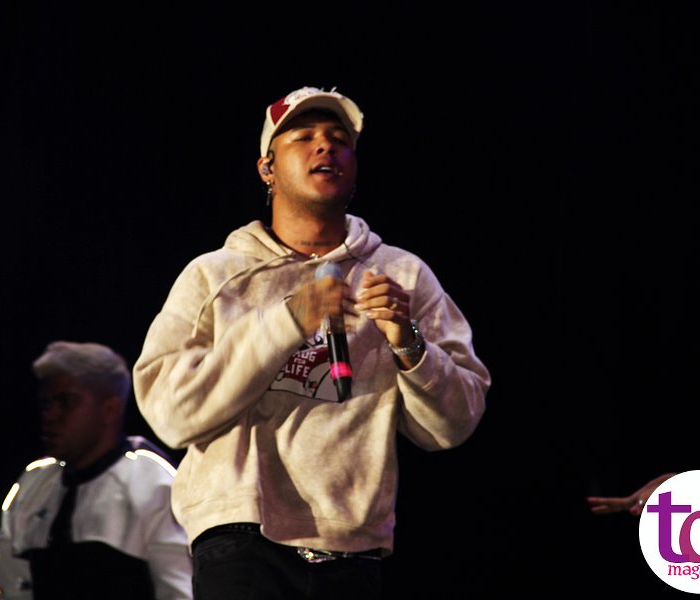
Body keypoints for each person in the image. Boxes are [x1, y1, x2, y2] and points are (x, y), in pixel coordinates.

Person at [133, 86, 491, 599]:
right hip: (240, 537)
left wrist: (409, 343)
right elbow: (171, 412)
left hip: (353, 546)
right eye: (303, 137)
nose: (326, 146)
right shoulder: (214, 276)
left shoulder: (401, 275)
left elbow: (454, 424)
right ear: (267, 168)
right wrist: (289, 320)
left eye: (339, 139)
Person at [0, 341, 193, 599]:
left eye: (66, 402)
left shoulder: (154, 486)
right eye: (46, 404)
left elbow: (180, 591)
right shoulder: (34, 483)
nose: (49, 416)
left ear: (109, 410)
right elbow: (10, 584)